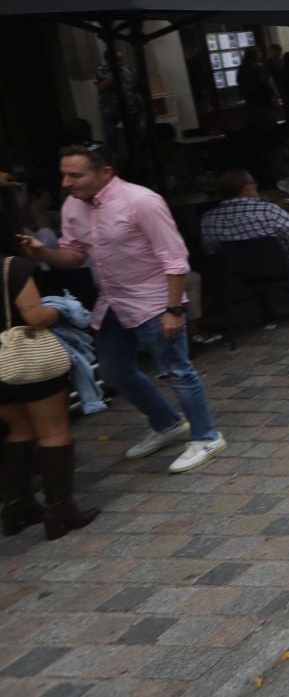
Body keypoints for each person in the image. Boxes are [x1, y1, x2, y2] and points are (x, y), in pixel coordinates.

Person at [20, 145, 229, 475]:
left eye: (76, 175)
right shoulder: (74, 206)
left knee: (176, 369)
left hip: (154, 299)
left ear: (105, 173)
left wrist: (173, 309)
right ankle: (168, 424)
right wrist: (42, 253)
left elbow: (175, 259)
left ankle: (207, 436)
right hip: (113, 301)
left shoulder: (141, 201)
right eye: (64, 175)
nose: (66, 183)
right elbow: (74, 255)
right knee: (114, 371)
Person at [0, 208, 97, 540]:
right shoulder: (13, 266)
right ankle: (61, 509)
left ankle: (17, 507)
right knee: (53, 432)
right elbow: (36, 317)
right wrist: (61, 307)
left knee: (18, 430)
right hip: (27, 361)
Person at [200, 169, 289, 316]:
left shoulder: (209, 218)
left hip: (240, 275)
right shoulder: (267, 210)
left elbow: (211, 251)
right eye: (253, 183)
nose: (256, 186)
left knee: (287, 254)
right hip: (280, 269)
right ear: (245, 188)